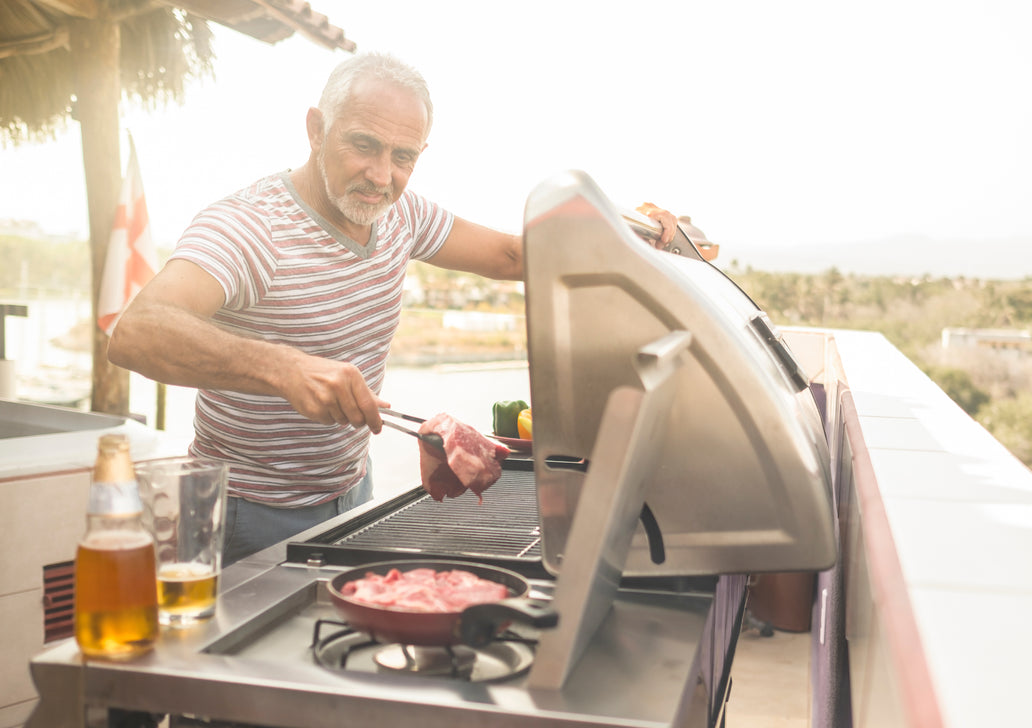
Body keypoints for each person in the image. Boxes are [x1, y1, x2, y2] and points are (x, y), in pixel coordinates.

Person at [108, 52, 678, 566]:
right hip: (245, 511)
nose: (382, 177)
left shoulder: (401, 214)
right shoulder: (249, 228)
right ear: (315, 129)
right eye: (363, 145)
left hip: (354, 491)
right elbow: (137, 332)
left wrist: (626, 232)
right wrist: (282, 367)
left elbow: (510, 255)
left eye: (402, 156)